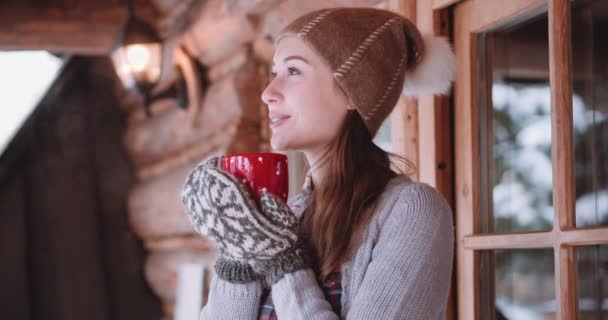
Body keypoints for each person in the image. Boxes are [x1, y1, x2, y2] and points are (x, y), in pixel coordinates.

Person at [181, 7, 456, 320]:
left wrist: (283, 263)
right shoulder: (288, 217)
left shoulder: (414, 212)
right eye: (274, 74)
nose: (268, 93)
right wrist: (237, 248)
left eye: (293, 71)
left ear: (354, 92)